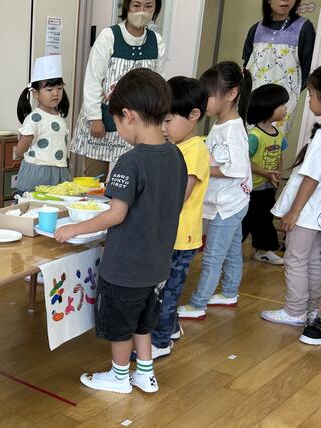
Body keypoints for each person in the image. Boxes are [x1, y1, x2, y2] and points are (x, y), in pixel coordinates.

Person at [55, 68, 187, 394]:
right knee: (143, 321)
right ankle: (145, 373)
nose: (119, 132)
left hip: (126, 266)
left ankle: (118, 376)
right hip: (157, 264)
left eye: (116, 123)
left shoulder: (131, 161)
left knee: (120, 325)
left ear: (128, 115)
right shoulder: (176, 155)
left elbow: (116, 213)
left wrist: (74, 228)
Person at [178, 62, 253, 321]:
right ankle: (229, 292)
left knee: (212, 256)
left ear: (231, 94)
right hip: (230, 202)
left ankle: (198, 304)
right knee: (231, 250)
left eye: (208, 95)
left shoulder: (232, 130)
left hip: (227, 204)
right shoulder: (222, 125)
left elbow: (236, 168)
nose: (203, 101)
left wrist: (202, 168)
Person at [70, 0, 166, 179]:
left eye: (148, 6)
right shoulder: (109, 36)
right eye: (136, 5)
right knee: (94, 179)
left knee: (129, 177)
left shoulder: (156, 41)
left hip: (137, 122)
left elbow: (157, 84)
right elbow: (93, 79)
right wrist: (95, 118)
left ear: (155, 9)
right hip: (103, 117)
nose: (142, 11)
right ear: (127, 6)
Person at [151, 76, 210, 358]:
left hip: (180, 237)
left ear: (194, 115)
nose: (163, 128)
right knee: (168, 287)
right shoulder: (178, 146)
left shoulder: (194, 150)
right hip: (172, 234)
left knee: (166, 292)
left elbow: (178, 196)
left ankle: (160, 341)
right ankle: (171, 327)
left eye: (168, 120)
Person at [261, 66, 321, 341]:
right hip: (316, 212)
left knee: (296, 259)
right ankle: (312, 310)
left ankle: (295, 310)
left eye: (312, 95)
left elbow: (311, 177)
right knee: (314, 259)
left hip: (307, 211)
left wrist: (293, 212)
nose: (309, 101)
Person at [243, 0, 316, 132]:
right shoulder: (255, 29)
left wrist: (290, 96)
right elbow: (247, 68)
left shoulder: (304, 28)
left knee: (274, 141)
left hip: (282, 103)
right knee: (250, 139)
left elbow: (307, 70)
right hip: (254, 103)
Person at [245, 83, 290, 265]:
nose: (285, 109)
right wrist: (265, 172)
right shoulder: (254, 136)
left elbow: (279, 155)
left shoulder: (278, 134)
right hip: (251, 188)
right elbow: (245, 161)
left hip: (268, 186)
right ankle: (229, 249)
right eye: (282, 105)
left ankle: (263, 250)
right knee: (248, 219)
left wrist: (278, 172)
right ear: (268, 107)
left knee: (265, 218)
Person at [14, 54, 71, 193]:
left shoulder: (59, 116)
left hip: (59, 171)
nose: (55, 93)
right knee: (34, 204)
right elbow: (20, 150)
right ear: (35, 93)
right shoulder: (35, 119)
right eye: (49, 90)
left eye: (59, 88)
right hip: (38, 173)